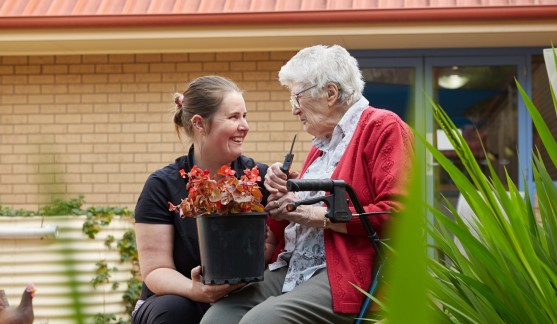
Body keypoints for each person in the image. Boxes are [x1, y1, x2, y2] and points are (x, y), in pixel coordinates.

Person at [201, 45, 414, 323]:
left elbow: (399, 215)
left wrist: (315, 214)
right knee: (217, 318)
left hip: (350, 271)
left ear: (330, 93)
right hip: (296, 264)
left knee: (262, 321)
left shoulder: (384, 127)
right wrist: (283, 192)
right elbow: (295, 221)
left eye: (296, 97)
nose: (293, 110)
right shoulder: (322, 144)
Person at [132, 75, 271, 324]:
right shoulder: (162, 185)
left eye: (245, 116)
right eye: (233, 117)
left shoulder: (261, 179)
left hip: (244, 297)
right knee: (173, 311)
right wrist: (197, 290)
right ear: (199, 123)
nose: (245, 126)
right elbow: (155, 270)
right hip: (178, 296)